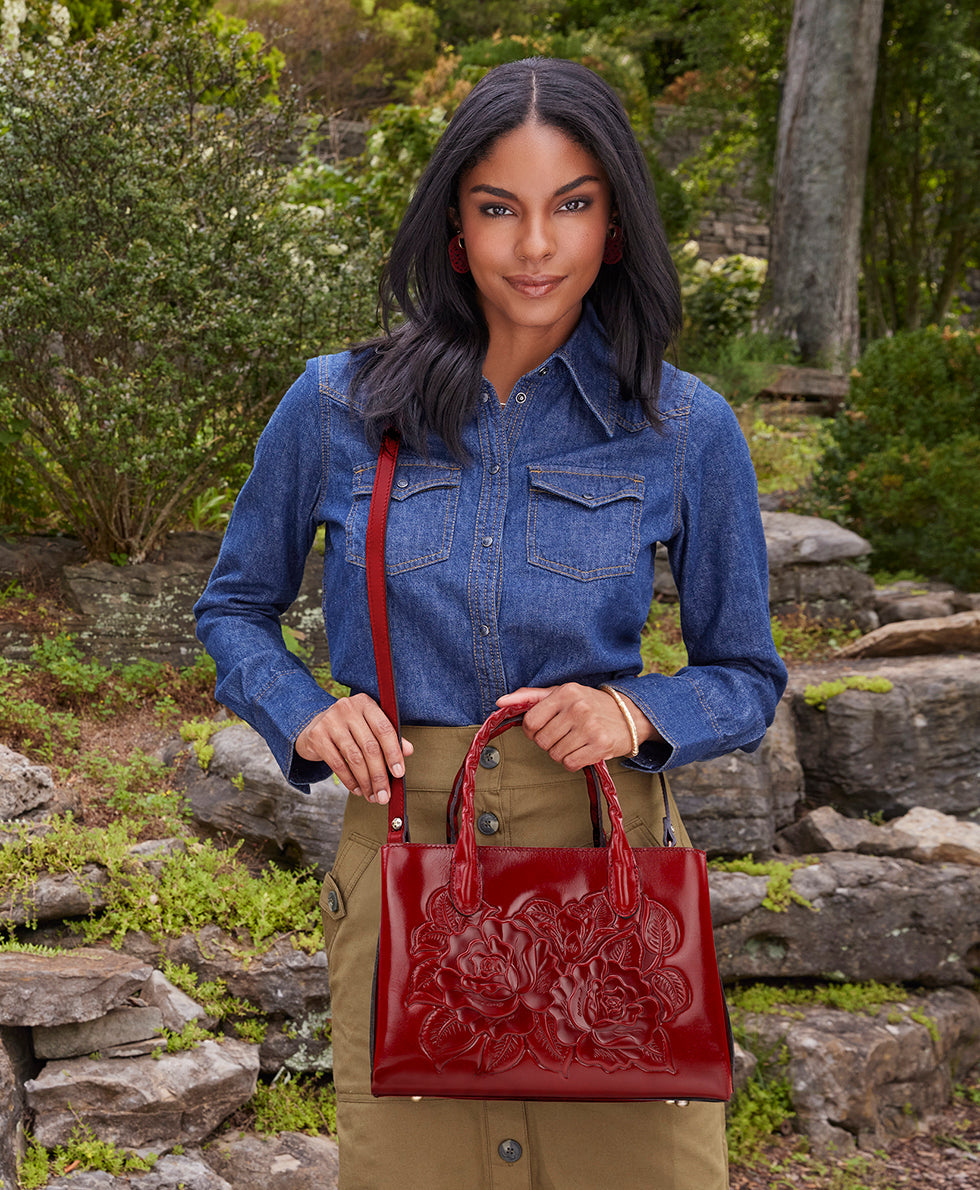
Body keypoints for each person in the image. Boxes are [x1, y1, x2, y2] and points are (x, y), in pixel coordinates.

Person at [195, 56, 786, 1190]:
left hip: (606, 857)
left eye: (570, 204)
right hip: (404, 847)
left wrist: (629, 708)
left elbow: (743, 674)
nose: (533, 244)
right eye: (497, 207)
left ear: (612, 225)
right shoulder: (333, 405)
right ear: (454, 228)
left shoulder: (682, 425)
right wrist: (306, 711)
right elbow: (232, 608)